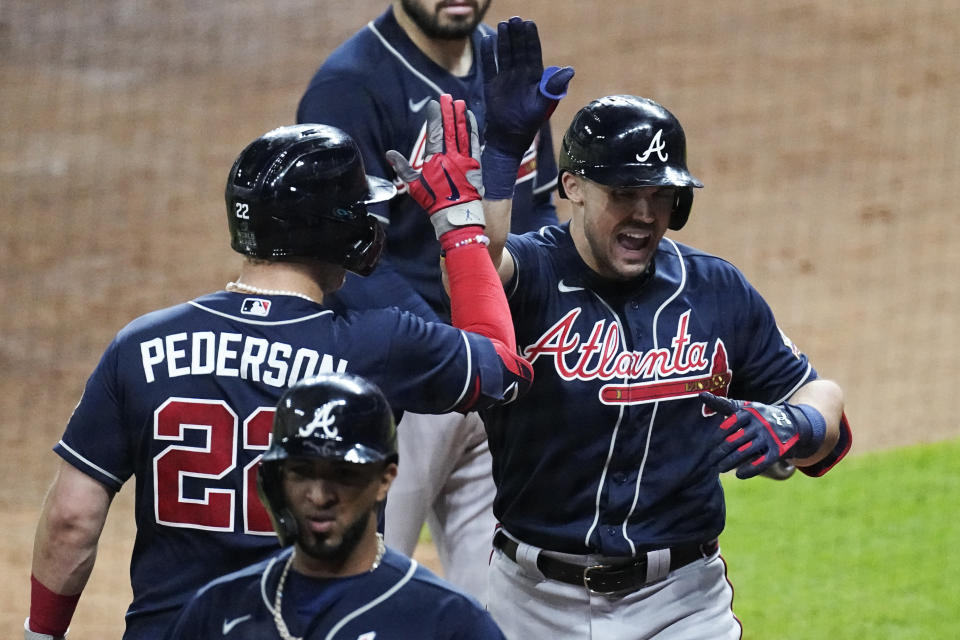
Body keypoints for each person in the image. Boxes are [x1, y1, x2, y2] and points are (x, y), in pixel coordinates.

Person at [24, 113, 531, 639]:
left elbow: (71, 519)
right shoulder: (379, 344)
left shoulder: (139, 345)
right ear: (337, 228)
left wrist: (40, 635)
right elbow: (503, 368)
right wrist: (460, 226)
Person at [467, 22, 855, 639]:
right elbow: (473, 264)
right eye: (624, 193)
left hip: (682, 602)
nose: (646, 214)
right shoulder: (531, 273)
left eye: (662, 194)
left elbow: (821, 397)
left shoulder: (715, 289)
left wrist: (794, 423)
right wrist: (500, 156)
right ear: (573, 188)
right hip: (533, 605)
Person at [296, 1, 572, 600]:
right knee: (361, 589)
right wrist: (448, 351)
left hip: (503, 372)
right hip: (406, 389)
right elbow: (344, 253)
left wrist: (519, 327)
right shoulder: (351, 86)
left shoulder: (508, 60)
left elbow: (538, 206)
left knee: (504, 598)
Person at [164, 372, 507, 639]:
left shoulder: (449, 622)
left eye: (342, 474)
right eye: (301, 472)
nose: (319, 496)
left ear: (385, 479)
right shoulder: (218, 608)